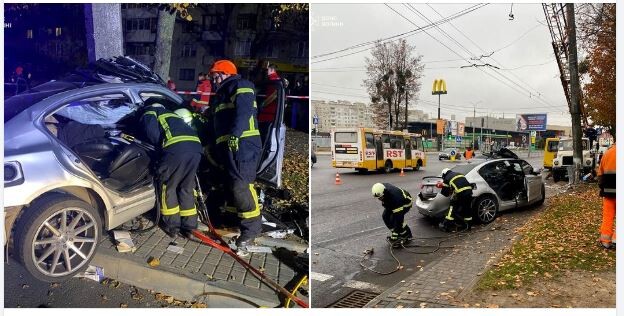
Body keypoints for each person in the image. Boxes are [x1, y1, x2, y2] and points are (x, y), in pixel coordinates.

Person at [209, 59, 262, 257]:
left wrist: (235, 135)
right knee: (231, 186)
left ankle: (251, 231)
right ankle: (235, 223)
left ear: (225, 73)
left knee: (241, 186)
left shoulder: (241, 85)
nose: (214, 80)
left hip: (244, 145)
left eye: (216, 75)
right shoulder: (219, 95)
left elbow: (244, 110)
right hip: (227, 148)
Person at [139, 100, 203, 238]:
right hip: (196, 148)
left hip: (176, 149)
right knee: (186, 187)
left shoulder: (150, 112)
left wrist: (159, 150)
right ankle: (190, 227)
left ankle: (172, 226)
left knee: (168, 187)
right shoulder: (172, 115)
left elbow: (151, 134)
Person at [371, 183, 413, 247]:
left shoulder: (395, 198)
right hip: (391, 201)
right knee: (385, 216)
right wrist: (395, 234)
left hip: (405, 203)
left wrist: (396, 233)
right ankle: (397, 233)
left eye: (381, 197)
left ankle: (407, 235)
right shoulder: (381, 188)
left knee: (395, 218)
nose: (380, 199)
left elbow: (399, 218)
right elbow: (386, 200)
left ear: (384, 193)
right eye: (379, 198)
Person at [596, 142, 616, 249]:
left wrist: (602, 187)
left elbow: (600, 174)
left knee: (608, 216)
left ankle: (605, 241)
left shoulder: (607, 153)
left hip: (608, 192)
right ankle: (616, 240)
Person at [258, 63, 282, 141]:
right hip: (274, 111)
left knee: (264, 131)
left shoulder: (272, 80)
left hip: (268, 111)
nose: (267, 72)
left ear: (271, 70)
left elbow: (273, 95)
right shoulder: (279, 79)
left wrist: (263, 104)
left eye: (268, 70)